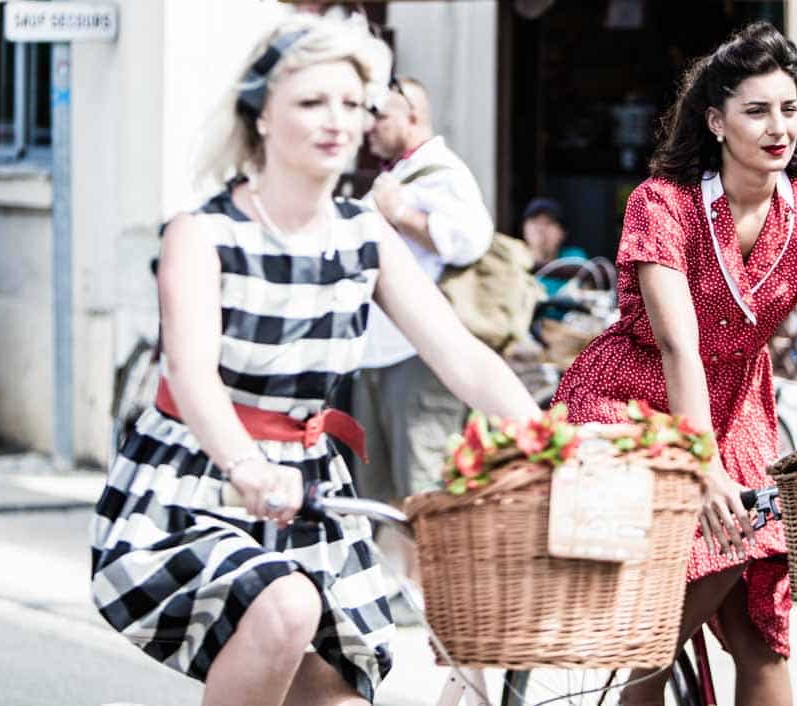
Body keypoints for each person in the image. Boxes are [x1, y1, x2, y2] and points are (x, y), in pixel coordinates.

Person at [89, 16, 538, 706]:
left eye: (354, 106)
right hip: (195, 484)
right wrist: (247, 468)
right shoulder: (203, 233)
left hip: (313, 491)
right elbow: (191, 373)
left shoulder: (365, 233)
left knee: (338, 691)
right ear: (261, 114)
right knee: (286, 604)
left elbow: (460, 354)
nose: (338, 122)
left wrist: (549, 440)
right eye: (312, 102)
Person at [552, 23, 797, 705]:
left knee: (760, 622)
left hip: (738, 404)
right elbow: (676, 345)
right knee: (669, 618)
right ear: (716, 121)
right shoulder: (661, 205)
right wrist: (703, 462)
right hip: (634, 402)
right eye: (756, 110)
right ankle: (641, 658)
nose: (778, 127)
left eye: (789, 108)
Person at [352, 76, 496, 503]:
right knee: (379, 500)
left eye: (380, 115)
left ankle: (429, 574)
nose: (368, 125)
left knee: (425, 494)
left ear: (412, 115)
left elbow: (472, 238)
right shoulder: (397, 174)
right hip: (376, 353)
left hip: (419, 356)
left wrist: (401, 213)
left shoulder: (443, 170)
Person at [520, 196, 589, 296]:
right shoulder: (513, 258)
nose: (541, 229)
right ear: (524, 229)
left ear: (562, 232)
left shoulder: (573, 258)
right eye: (535, 222)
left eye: (548, 223)